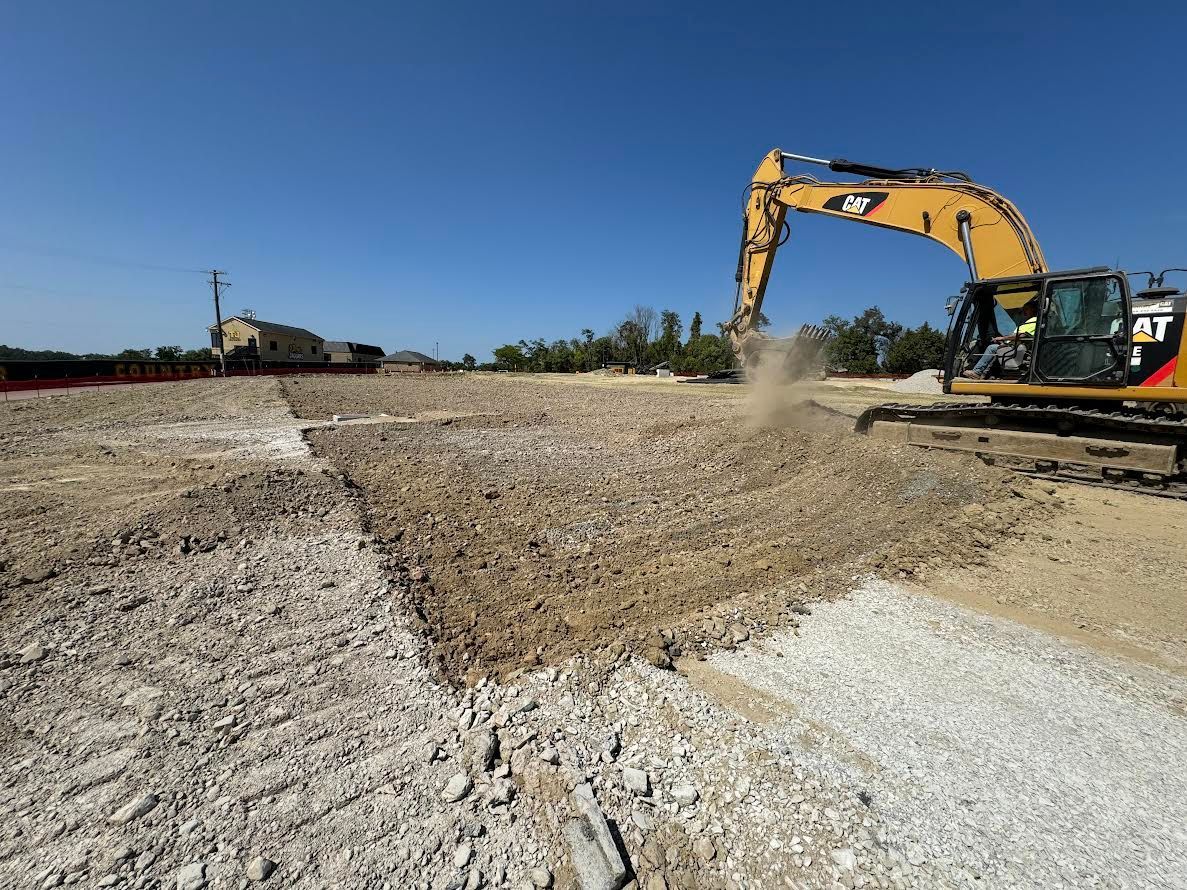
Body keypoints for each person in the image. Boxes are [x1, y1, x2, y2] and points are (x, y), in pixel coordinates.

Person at [962, 299, 1038, 379]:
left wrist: (1003, 338)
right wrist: (1004, 341)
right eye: (1023, 309)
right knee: (998, 348)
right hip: (1015, 346)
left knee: (991, 348)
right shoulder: (1030, 322)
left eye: (1026, 309)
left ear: (1034, 309)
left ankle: (977, 372)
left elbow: (1021, 335)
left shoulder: (1033, 321)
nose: (1024, 311)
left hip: (1017, 349)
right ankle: (992, 375)